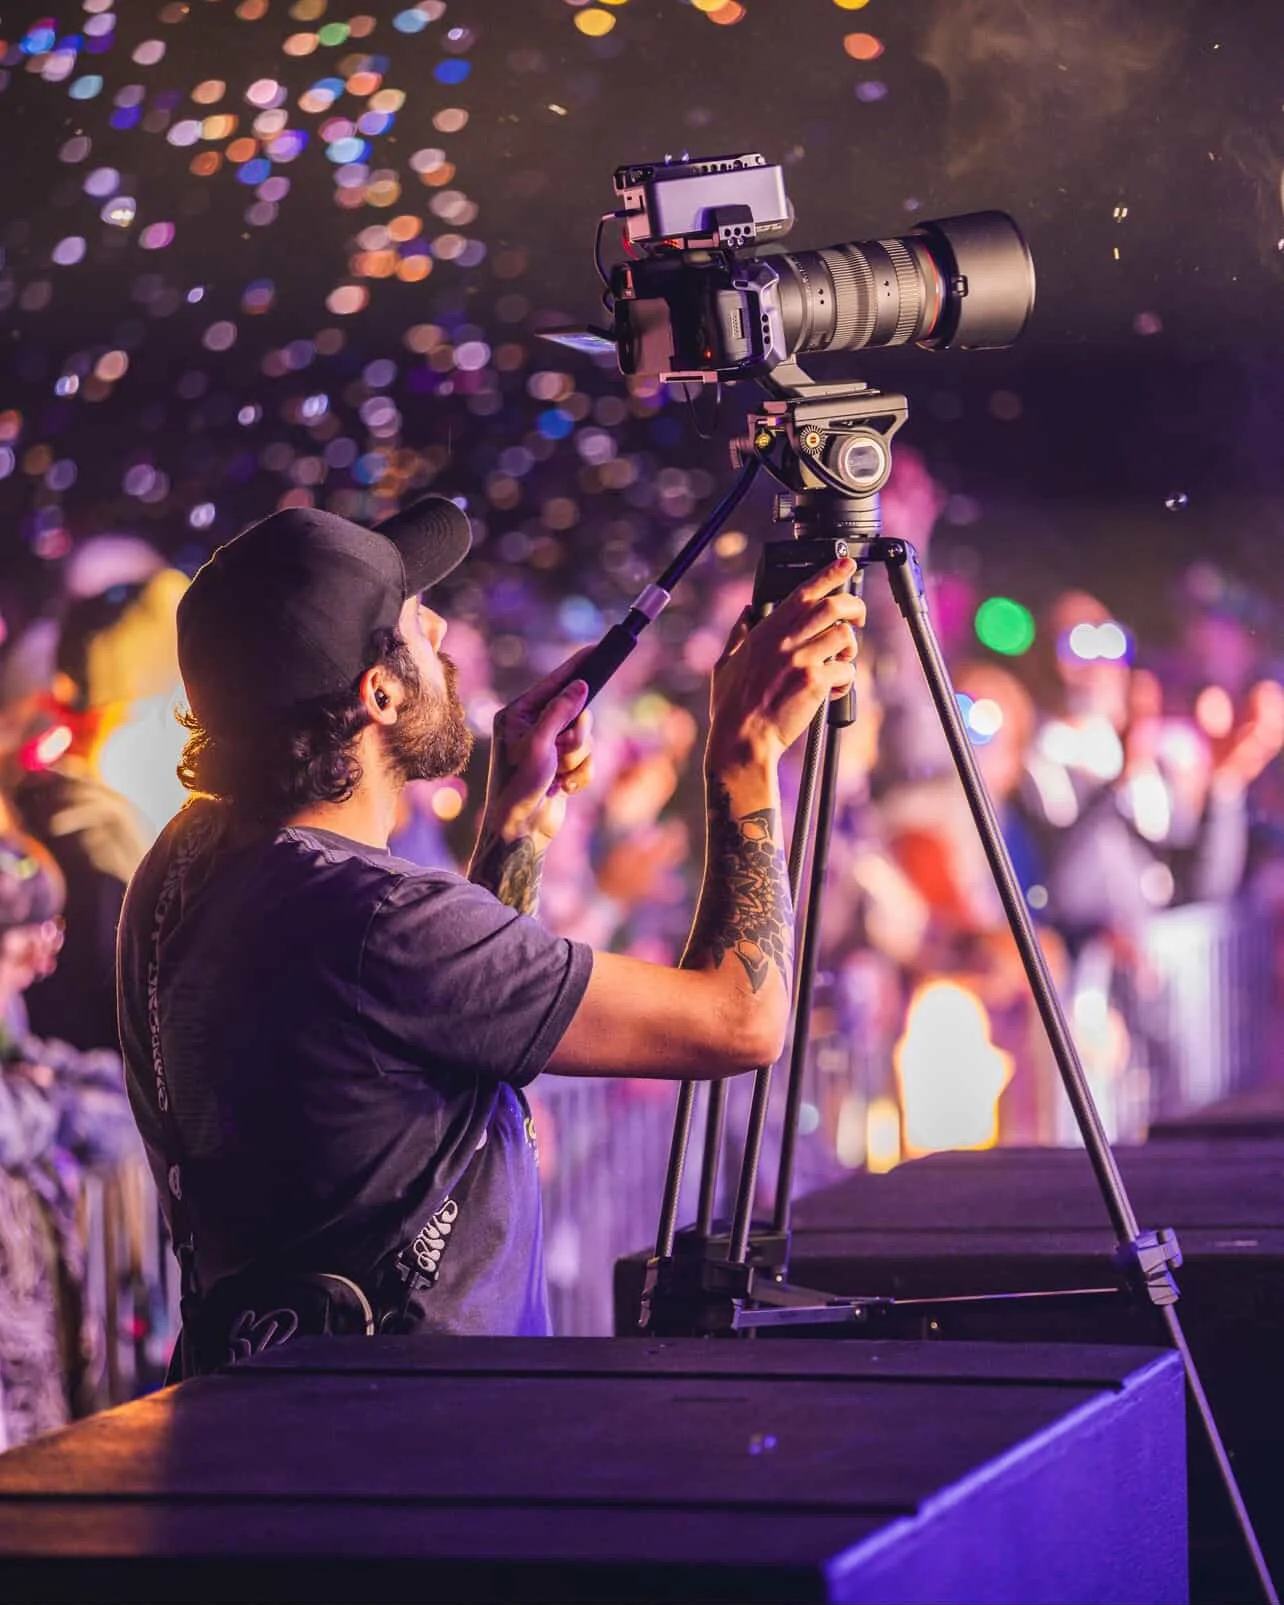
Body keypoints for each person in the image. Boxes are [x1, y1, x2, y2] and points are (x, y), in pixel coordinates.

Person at [115, 497, 861, 1372]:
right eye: (411, 617)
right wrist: (745, 752)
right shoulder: (378, 917)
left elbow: (415, 1042)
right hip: (420, 1451)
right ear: (378, 693)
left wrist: (514, 829)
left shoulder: (181, 868)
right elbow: (741, 1020)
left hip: (263, 1422)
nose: (438, 625)